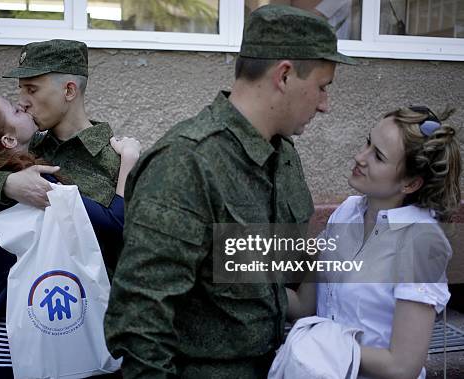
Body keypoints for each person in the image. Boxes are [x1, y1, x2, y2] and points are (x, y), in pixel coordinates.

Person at [103, 5, 356, 378]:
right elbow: (140, 319)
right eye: (322, 87)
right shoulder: (186, 162)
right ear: (284, 75)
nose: (325, 105)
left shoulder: (282, 156)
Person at [0, 89, 140, 378]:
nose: (22, 103)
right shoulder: (38, 185)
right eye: (14, 110)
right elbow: (115, 226)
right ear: (8, 140)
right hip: (23, 344)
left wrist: (5, 183)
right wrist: (129, 161)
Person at [286, 106, 461, 378]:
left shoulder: (422, 244)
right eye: (368, 142)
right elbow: (303, 305)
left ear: (410, 184)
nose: (359, 156)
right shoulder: (347, 211)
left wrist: (323, 345)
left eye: (378, 156)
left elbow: (403, 366)